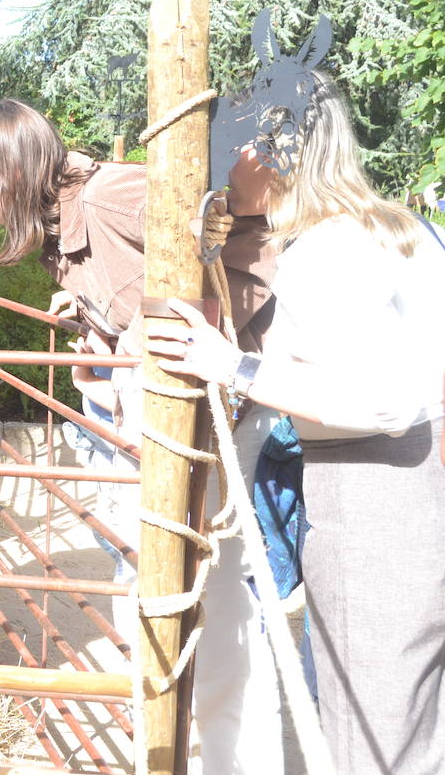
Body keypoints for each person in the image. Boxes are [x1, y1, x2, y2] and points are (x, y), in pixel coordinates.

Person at [0, 98, 284, 774]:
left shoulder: (112, 196)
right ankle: (182, 747)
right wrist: (98, 318)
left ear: (12, 171)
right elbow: (139, 282)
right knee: (157, 590)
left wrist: (184, 322)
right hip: (163, 423)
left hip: (213, 419)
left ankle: (228, 760)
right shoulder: (57, 220)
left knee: (209, 603)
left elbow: (236, 239)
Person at [149, 70, 445, 775]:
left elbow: (384, 402)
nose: (223, 167)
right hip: (420, 496)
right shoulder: (397, 228)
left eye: (233, 144)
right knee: (416, 730)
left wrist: (232, 367)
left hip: (375, 502)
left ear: (270, 149)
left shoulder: (325, 253)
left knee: (373, 741)